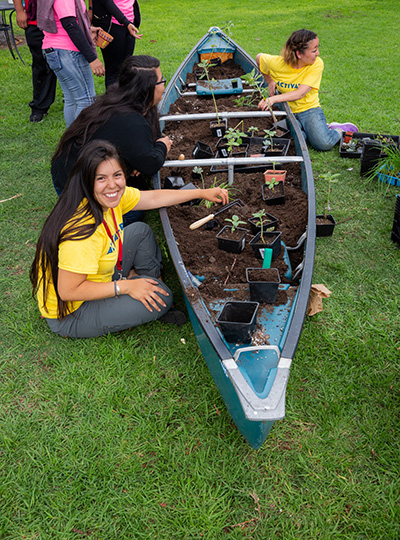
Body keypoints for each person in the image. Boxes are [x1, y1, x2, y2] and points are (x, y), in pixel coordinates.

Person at [30, 140, 229, 339]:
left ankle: (144, 286)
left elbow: (152, 198)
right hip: (73, 312)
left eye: (117, 175)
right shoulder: (82, 232)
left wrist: (202, 192)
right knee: (162, 296)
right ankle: (142, 288)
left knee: (140, 231)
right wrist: (125, 287)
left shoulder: (107, 198)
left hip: (99, 274)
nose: (112, 185)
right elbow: (68, 291)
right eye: (101, 178)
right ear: (86, 180)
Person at [51, 55, 171, 224]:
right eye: (161, 81)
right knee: (135, 213)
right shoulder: (131, 121)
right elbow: (151, 163)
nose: (164, 85)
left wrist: (138, 161)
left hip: (71, 171)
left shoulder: (121, 101)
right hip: (75, 187)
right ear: (147, 88)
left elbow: (142, 151)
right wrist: (162, 146)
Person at [256, 29, 358, 152]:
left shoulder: (316, 64)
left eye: (317, 48)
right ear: (299, 54)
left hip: (309, 109)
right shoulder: (278, 63)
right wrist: (270, 81)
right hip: (287, 110)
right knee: (298, 140)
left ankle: (338, 129)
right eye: (314, 50)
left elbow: (300, 93)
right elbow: (259, 57)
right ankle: (312, 129)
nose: (318, 53)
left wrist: (272, 99)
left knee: (323, 144)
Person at [37, 0, 105, 126]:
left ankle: (71, 142)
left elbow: (67, 21)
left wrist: (88, 28)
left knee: (72, 99)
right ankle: (80, 142)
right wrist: (92, 59)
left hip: (55, 49)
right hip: (67, 52)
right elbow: (70, 24)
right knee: (86, 100)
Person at [12, 0, 57, 123]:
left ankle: (74, 99)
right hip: (35, 19)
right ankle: (40, 107)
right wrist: (20, 11)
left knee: (69, 59)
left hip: (63, 16)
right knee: (40, 62)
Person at [90, 0, 143, 88]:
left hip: (130, 22)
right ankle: (112, 101)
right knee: (114, 70)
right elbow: (107, 2)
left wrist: (129, 22)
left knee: (126, 68)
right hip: (112, 25)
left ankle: (123, 99)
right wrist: (125, 22)